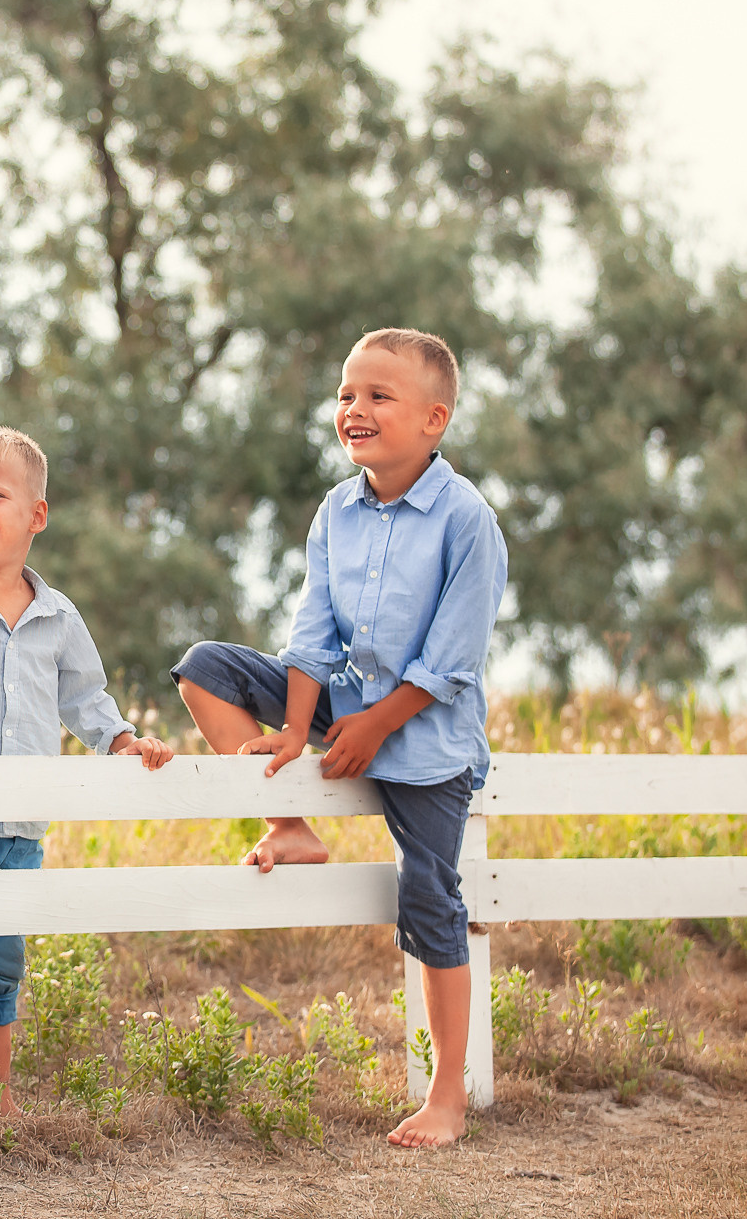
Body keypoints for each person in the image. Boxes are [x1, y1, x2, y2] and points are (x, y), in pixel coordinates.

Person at [170, 327, 507, 1148]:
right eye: (346, 393)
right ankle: (291, 827)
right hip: (339, 703)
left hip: (425, 736)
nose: (353, 408)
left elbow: (452, 659)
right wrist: (295, 730)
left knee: (430, 898)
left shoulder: (467, 521)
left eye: (377, 396)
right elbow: (313, 633)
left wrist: (375, 726)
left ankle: (447, 1098)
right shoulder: (336, 509)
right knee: (204, 666)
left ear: (435, 419)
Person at [0, 426, 174, 1109]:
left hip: (20, 827)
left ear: (36, 515)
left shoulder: (57, 616)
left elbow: (84, 696)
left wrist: (120, 740)